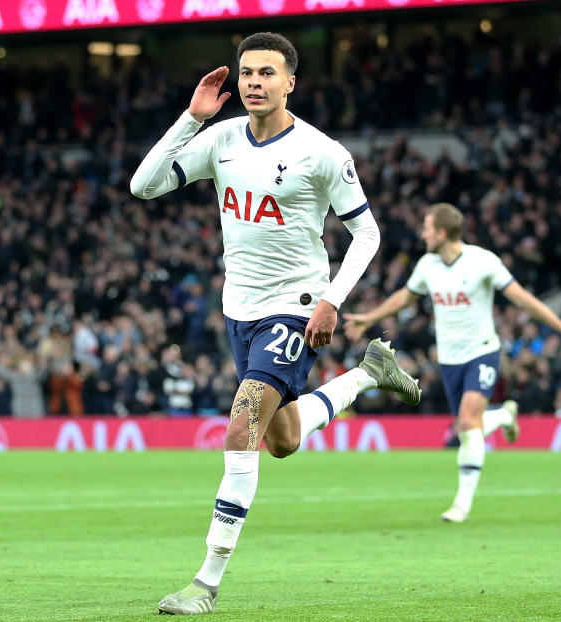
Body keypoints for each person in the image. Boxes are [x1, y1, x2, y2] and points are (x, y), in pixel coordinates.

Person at [130, 32, 421, 615]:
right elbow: (145, 185)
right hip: (238, 309)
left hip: (296, 304)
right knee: (281, 438)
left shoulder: (322, 152)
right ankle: (367, 376)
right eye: (246, 73)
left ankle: (204, 583)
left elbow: (368, 233)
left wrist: (332, 298)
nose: (253, 83)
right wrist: (190, 118)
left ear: (291, 82)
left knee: (240, 428)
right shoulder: (220, 139)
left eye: (266, 73)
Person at [344, 203, 561, 523]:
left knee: (467, 420)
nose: (422, 233)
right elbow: (405, 297)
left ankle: (461, 504)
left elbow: (521, 297)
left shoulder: (483, 261)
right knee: (467, 427)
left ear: (442, 232)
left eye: (427, 228)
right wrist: (369, 318)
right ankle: (503, 415)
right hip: (449, 360)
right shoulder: (427, 265)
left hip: (482, 352)